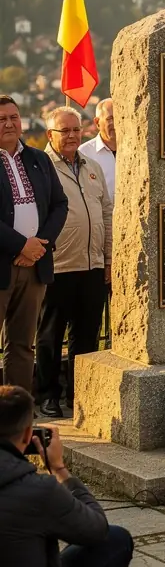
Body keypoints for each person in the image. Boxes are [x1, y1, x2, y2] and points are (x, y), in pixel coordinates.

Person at [0, 385, 133, 567]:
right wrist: (59, 469)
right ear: (26, 436)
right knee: (115, 541)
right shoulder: (37, 490)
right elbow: (96, 529)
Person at [35, 108, 112, 419]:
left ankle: (81, 393)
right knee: (51, 334)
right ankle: (48, 395)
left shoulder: (91, 166)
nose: (71, 136)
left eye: (75, 130)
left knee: (87, 333)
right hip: (59, 264)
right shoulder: (41, 167)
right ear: (51, 135)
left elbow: (105, 212)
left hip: (92, 264)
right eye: (63, 131)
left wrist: (108, 257)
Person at [0, 96, 67, 392]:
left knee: (22, 344)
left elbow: (60, 204)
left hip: (35, 265)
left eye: (14, 117)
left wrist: (40, 246)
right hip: (3, 263)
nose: (9, 123)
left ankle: (18, 415)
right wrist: (19, 246)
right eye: (1, 119)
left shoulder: (39, 159)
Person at [78, 98, 116, 201]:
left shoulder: (133, 150)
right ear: (97, 122)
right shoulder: (84, 153)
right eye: (110, 119)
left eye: (119, 118)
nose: (116, 123)